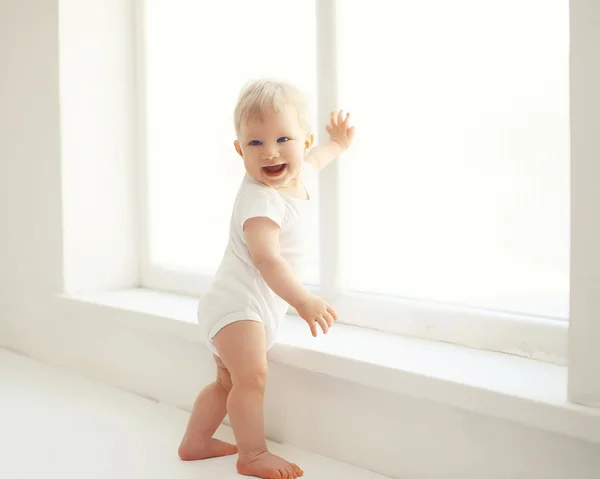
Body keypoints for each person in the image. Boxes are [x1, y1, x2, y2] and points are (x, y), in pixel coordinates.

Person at [178, 79, 355, 479]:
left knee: (227, 383)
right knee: (252, 377)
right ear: (239, 149)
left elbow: (319, 159)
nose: (270, 151)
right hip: (237, 306)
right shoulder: (261, 199)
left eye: (282, 139)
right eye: (255, 143)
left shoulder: (301, 173)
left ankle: (196, 442)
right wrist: (303, 300)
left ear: (304, 142)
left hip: (237, 305)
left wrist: (339, 144)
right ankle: (253, 454)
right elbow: (267, 259)